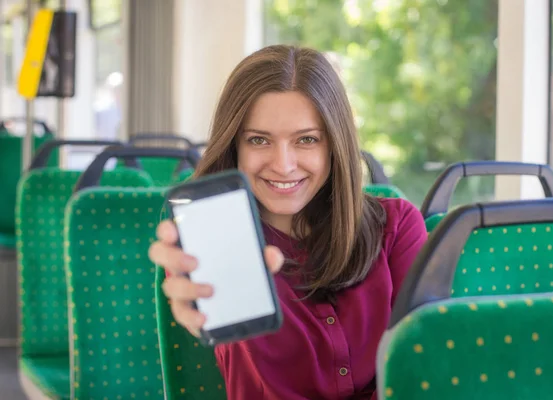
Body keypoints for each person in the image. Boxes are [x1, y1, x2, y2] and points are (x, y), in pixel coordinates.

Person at [149, 44, 428, 400]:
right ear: (235, 146)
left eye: (306, 140)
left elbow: (419, 368)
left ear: (334, 145)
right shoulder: (212, 243)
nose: (283, 164)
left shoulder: (397, 225)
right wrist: (195, 302)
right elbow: (193, 294)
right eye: (259, 140)